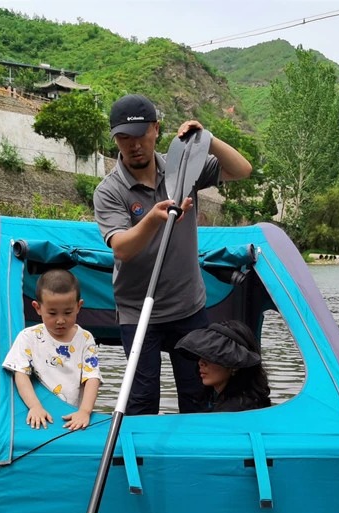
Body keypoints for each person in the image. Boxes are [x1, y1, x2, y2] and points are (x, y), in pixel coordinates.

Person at [93, 93, 253, 415]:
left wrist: (206, 139)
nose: (134, 145)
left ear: (155, 130)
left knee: (196, 394)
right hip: (138, 311)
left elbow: (242, 170)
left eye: (140, 135)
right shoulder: (109, 190)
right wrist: (154, 217)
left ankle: (193, 458)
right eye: (124, 138)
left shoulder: (183, 169)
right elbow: (122, 248)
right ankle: (140, 460)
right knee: (141, 399)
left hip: (187, 306)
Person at [2, 269, 101, 431]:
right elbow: (20, 373)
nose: (60, 320)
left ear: (78, 306)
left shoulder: (85, 338)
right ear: (37, 308)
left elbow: (92, 377)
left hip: (73, 414)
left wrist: (85, 411)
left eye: (68, 312)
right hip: (40, 411)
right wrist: (34, 407)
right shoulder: (28, 337)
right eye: (52, 313)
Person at [175, 320, 271, 412]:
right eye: (202, 355)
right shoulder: (221, 399)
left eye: (211, 357)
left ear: (235, 366)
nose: (201, 362)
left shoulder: (233, 410)